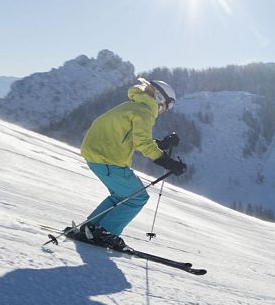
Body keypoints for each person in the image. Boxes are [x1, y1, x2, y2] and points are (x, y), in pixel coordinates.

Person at [68, 78, 187, 250]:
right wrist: (168, 163)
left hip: (99, 156)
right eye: (168, 106)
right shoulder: (144, 111)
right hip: (108, 159)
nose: (165, 110)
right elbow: (142, 143)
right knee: (138, 197)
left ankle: (91, 227)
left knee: (121, 195)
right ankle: (106, 233)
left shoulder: (133, 106)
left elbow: (133, 138)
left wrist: (163, 144)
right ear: (160, 98)